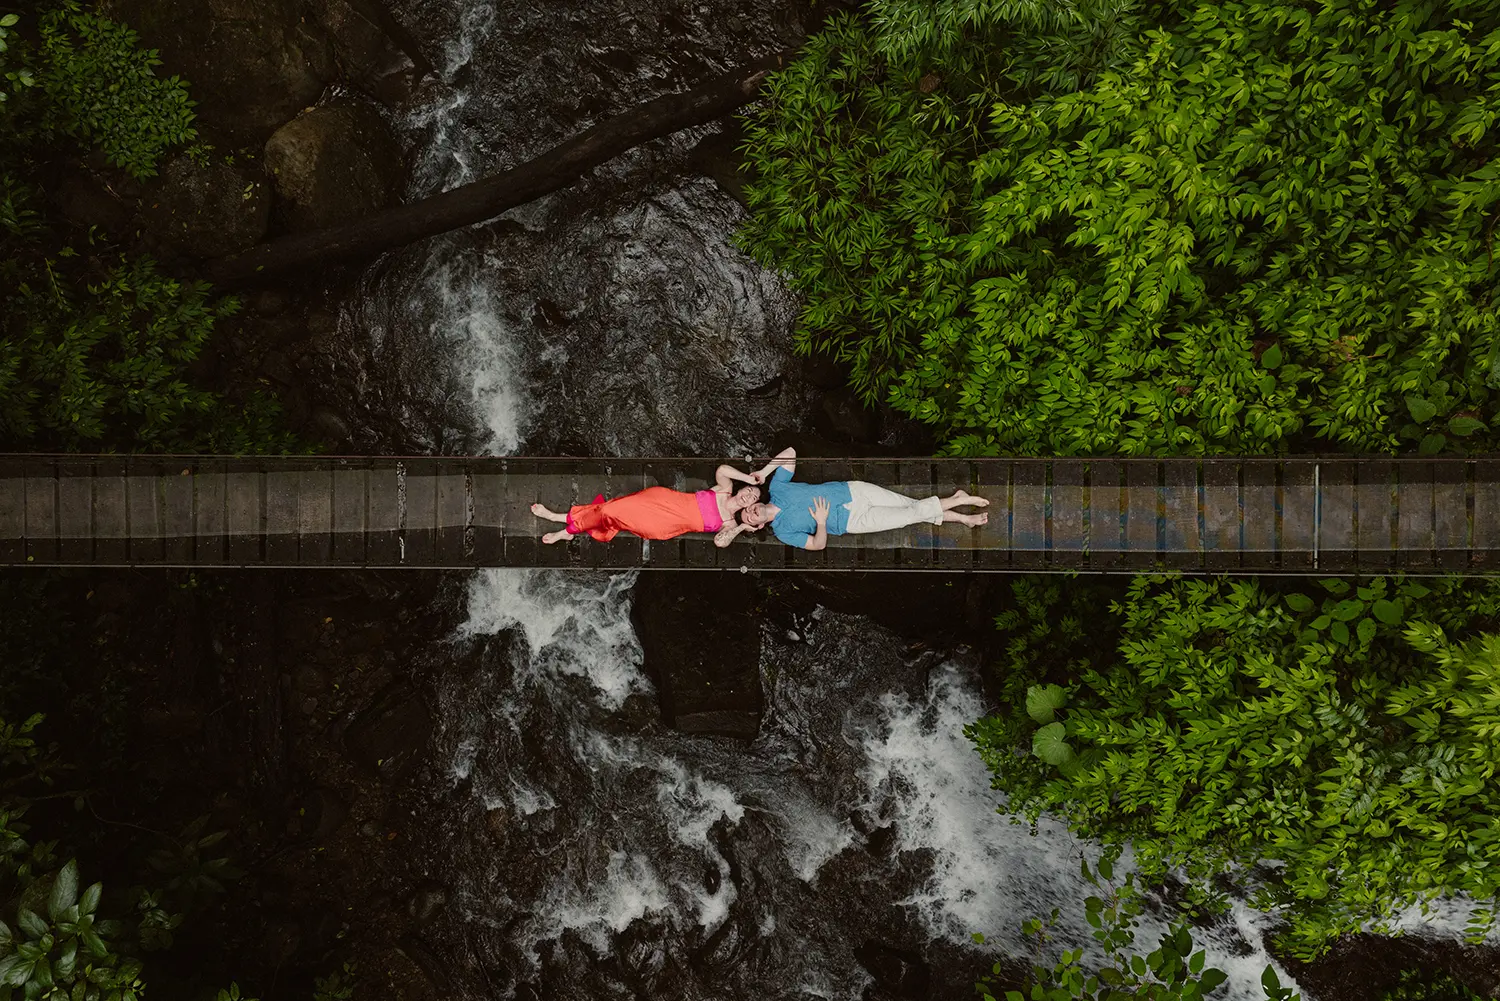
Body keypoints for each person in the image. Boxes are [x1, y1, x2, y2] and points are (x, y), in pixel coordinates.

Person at [721, 447, 989, 550]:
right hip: (854, 520)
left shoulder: (778, 488)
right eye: (749, 518)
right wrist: (822, 521)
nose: (752, 512)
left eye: (749, 509)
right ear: (757, 526)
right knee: (909, 515)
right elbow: (817, 545)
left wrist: (764, 472)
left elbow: (791, 452)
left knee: (911, 507)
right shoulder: (783, 531)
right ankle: (957, 504)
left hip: (853, 491)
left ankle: (959, 512)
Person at [530, 463, 763, 547]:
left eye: (753, 499)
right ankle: (566, 526)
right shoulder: (724, 489)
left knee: (610, 511)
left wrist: (743, 527)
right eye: (749, 491)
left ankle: (563, 526)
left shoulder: (729, 522)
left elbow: (720, 543)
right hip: (659, 499)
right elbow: (722, 469)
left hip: (661, 525)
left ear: (749, 507)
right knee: (610, 509)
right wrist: (748, 478)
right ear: (742, 488)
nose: (748, 496)